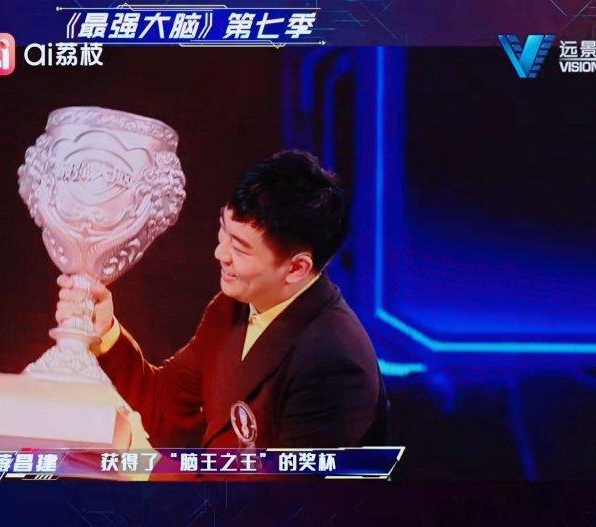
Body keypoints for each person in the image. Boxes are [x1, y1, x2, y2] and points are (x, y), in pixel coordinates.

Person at [56, 150, 389, 448]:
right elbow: (164, 405)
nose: (220, 253)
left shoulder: (333, 361)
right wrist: (106, 334)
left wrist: (152, 478)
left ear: (296, 268)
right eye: (224, 231)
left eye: (240, 248)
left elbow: (288, 492)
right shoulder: (229, 308)